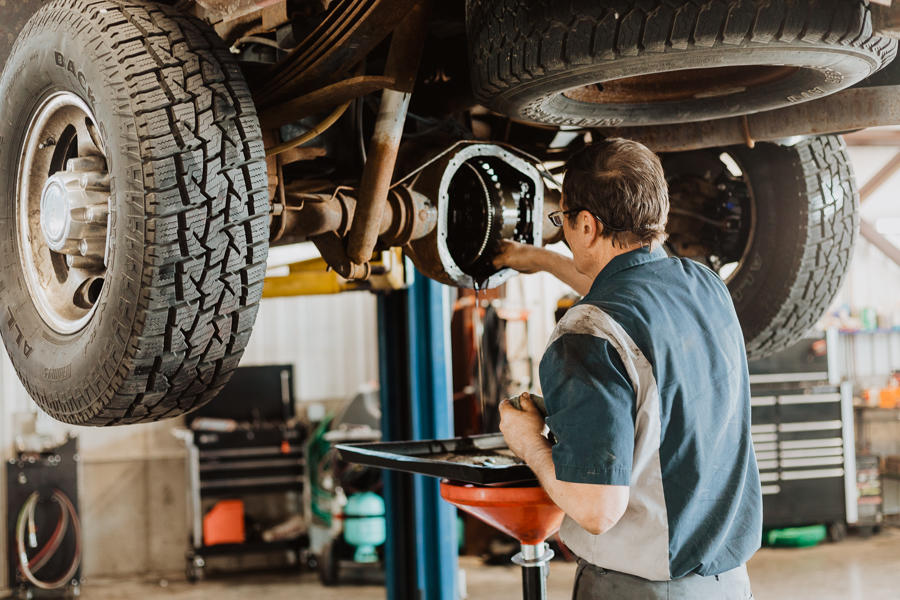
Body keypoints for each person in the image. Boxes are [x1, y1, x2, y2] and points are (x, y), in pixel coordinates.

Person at [494, 138, 761, 599]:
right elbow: (628, 286)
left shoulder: (587, 333)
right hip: (728, 583)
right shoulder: (704, 286)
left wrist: (528, 443)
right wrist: (535, 259)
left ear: (586, 224)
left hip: (643, 588)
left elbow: (596, 510)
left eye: (563, 222)